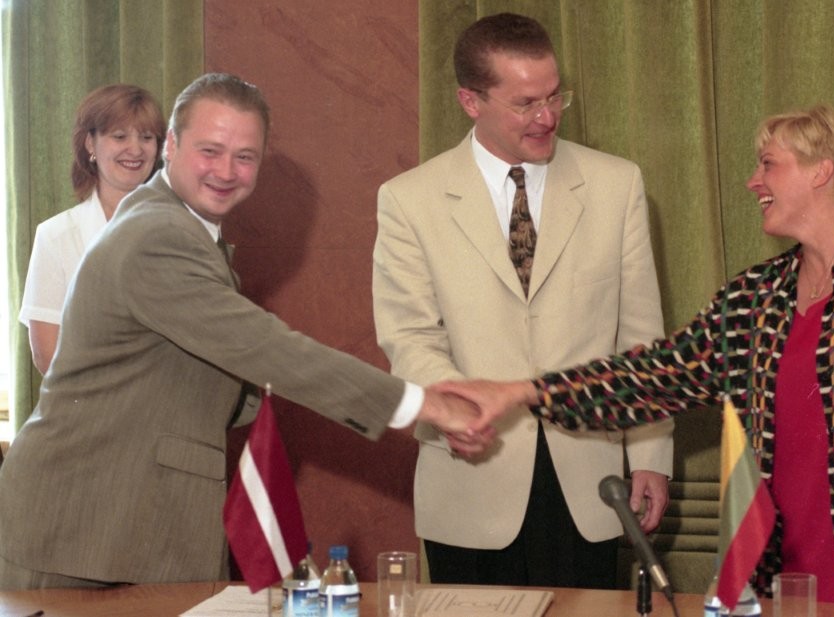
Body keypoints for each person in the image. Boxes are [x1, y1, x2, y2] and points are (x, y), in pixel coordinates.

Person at [443, 106, 834, 612]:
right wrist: (522, 392)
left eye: (769, 165)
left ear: (822, 171)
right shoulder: (756, 295)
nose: (753, 181)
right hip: (782, 577)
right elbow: (652, 376)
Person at [0, 73, 491, 591]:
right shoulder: (158, 233)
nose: (226, 172)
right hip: (83, 531)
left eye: (245, 157)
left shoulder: (183, 228)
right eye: (210, 151)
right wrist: (428, 404)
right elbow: (268, 349)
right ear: (171, 146)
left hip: (126, 526)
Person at [372, 12, 673, 589]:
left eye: (555, 96)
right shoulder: (408, 200)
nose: (548, 116)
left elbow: (642, 339)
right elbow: (409, 337)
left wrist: (651, 455)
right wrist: (454, 410)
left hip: (591, 483)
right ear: (470, 101)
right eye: (526, 103)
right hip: (470, 480)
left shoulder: (618, 185)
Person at [19, 84, 166, 374]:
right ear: (90, 144)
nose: (135, 149)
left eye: (147, 137)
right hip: (87, 399)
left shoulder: (180, 229)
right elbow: (47, 355)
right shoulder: (55, 237)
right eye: (119, 136)